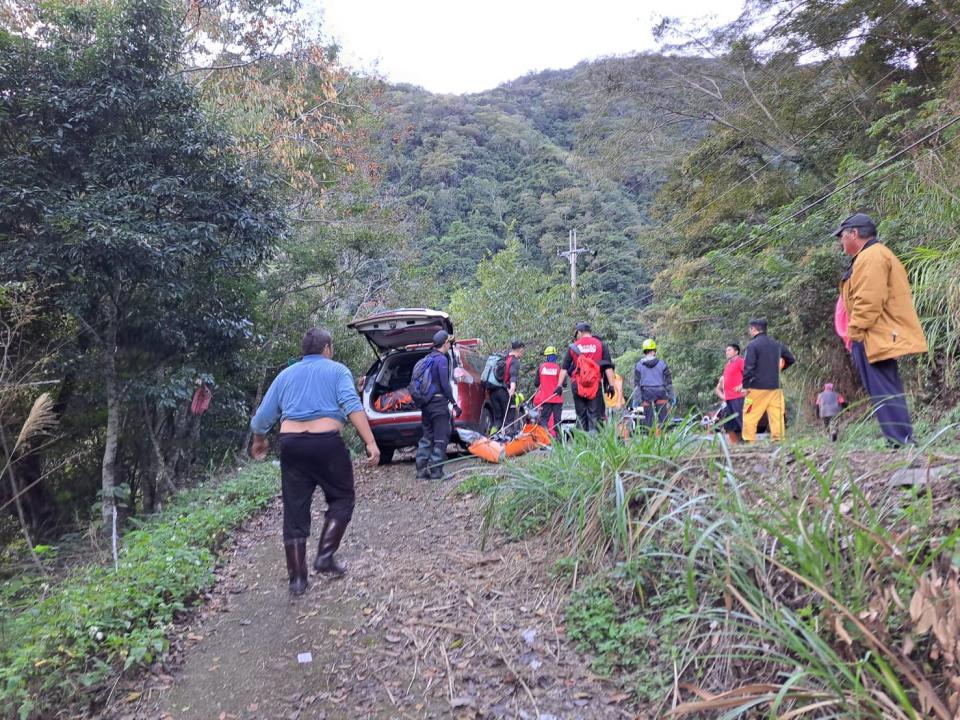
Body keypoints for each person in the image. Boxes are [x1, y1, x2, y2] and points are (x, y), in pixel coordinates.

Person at [249, 328, 380, 596]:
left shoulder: (285, 375)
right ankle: (324, 555)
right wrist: (370, 442)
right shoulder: (336, 370)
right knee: (342, 498)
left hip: (292, 446)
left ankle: (297, 580)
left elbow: (263, 415)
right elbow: (351, 404)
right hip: (326, 444)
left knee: (295, 508)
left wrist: (259, 439)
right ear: (327, 348)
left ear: (304, 351)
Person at [834, 213, 927, 446]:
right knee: (884, 388)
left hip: (871, 335)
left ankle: (901, 440)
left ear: (854, 233)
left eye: (842, 236)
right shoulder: (872, 255)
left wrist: (855, 332)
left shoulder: (872, 256)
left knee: (884, 389)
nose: (840, 242)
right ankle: (899, 439)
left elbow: (869, 300)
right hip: (873, 334)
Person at [738, 318, 795, 443]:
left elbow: (749, 367)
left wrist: (745, 385)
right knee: (776, 415)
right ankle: (778, 441)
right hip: (775, 387)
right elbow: (790, 359)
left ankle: (749, 440)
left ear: (753, 329)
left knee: (750, 414)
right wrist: (777, 370)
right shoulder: (776, 345)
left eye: (750, 329)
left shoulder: (753, 345)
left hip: (756, 388)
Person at [415, 331, 462, 480]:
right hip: (438, 404)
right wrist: (454, 404)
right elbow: (445, 384)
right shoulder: (441, 359)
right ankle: (436, 472)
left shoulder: (427, 358)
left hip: (426, 405)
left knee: (427, 436)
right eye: (449, 343)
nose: (450, 345)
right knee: (441, 437)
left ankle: (421, 471)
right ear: (445, 344)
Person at [555, 322, 615, 432]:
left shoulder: (573, 347)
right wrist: (611, 385)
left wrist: (559, 385)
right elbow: (608, 367)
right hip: (594, 385)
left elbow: (564, 368)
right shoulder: (601, 345)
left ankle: (582, 446)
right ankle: (593, 446)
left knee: (581, 417)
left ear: (579, 332)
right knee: (594, 417)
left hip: (577, 386)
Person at [634, 339, 674, 431]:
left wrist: (636, 400)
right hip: (661, 393)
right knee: (663, 420)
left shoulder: (639, 366)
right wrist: (672, 397)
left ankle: (650, 439)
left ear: (644, 351)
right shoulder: (662, 364)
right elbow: (668, 383)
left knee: (649, 422)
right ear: (654, 351)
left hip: (646, 393)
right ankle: (664, 440)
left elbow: (637, 385)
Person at [714, 342, 746, 444]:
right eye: (726, 350)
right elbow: (721, 385)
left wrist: (742, 385)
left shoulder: (741, 361)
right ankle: (736, 443)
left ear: (736, 352)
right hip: (728, 399)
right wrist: (724, 396)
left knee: (740, 419)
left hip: (738, 397)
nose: (726, 352)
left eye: (729, 350)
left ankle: (747, 442)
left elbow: (749, 374)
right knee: (729, 422)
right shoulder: (728, 365)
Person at [533, 346, 564, 436]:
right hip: (557, 399)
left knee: (544, 420)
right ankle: (559, 442)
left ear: (547, 356)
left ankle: (545, 441)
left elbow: (536, 383)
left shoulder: (541, 367)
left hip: (546, 399)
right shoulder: (559, 368)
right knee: (557, 421)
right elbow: (564, 384)